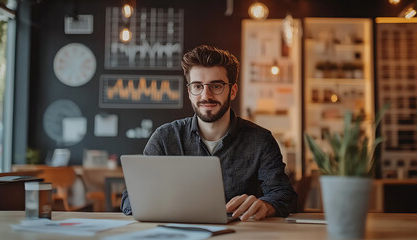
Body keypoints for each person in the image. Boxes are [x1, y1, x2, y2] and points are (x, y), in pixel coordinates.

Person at [121, 45, 297, 221]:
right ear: (190, 92)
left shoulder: (261, 140)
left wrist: (266, 205)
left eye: (217, 86)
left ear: (233, 91)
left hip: (241, 234)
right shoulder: (165, 138)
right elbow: (130, 199)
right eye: (198, 86)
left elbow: (283, 194)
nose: (206, 95)